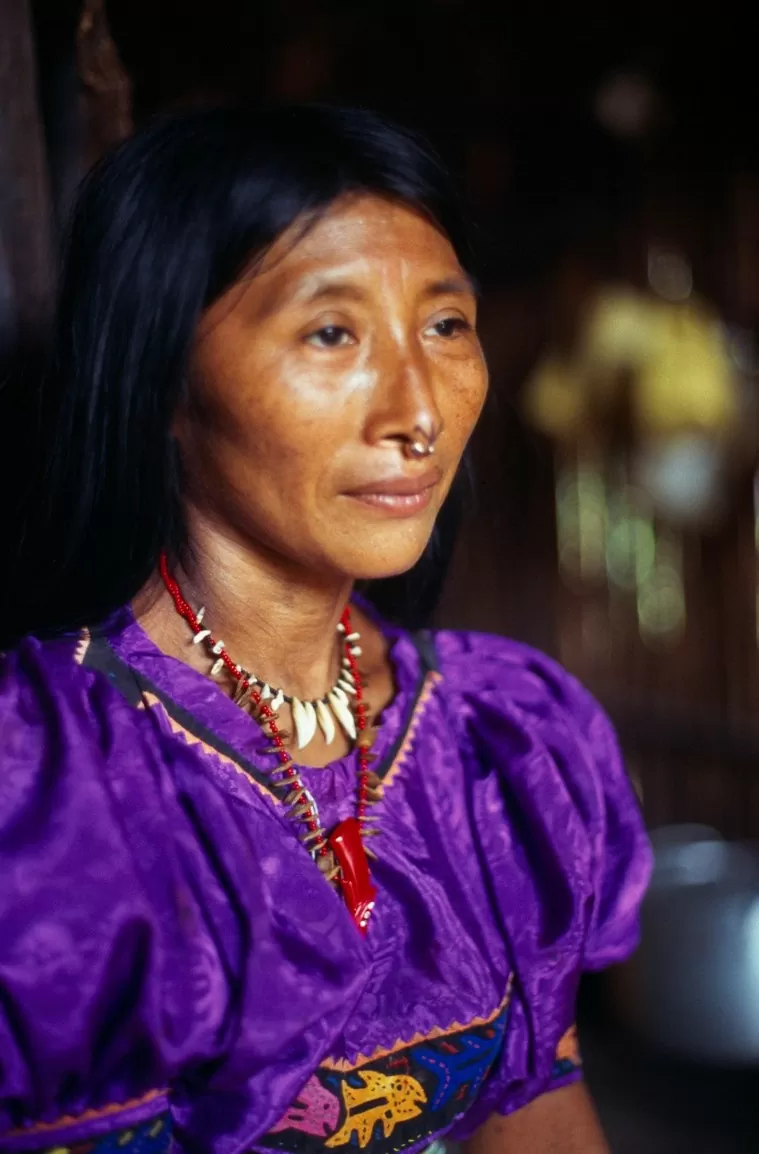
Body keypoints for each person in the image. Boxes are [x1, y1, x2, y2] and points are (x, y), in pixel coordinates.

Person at [0, 105, 651, 1154]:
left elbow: (537, 1111)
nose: (419, 411)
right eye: (331, 331)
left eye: (445, 325)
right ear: (164, 375)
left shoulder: (496, 745)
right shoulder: (44, 780)